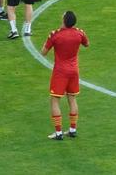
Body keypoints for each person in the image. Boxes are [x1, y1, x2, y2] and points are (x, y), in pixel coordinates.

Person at [41, 11, 89, 140]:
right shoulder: (80, 33)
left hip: (60, 72)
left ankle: (58, 133)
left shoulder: (55, 35)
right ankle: (72, 129)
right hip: (74, 71)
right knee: (72, 99)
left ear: (64, 20)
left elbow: (43, 52)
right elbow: (86, 44)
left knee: (54, 100)